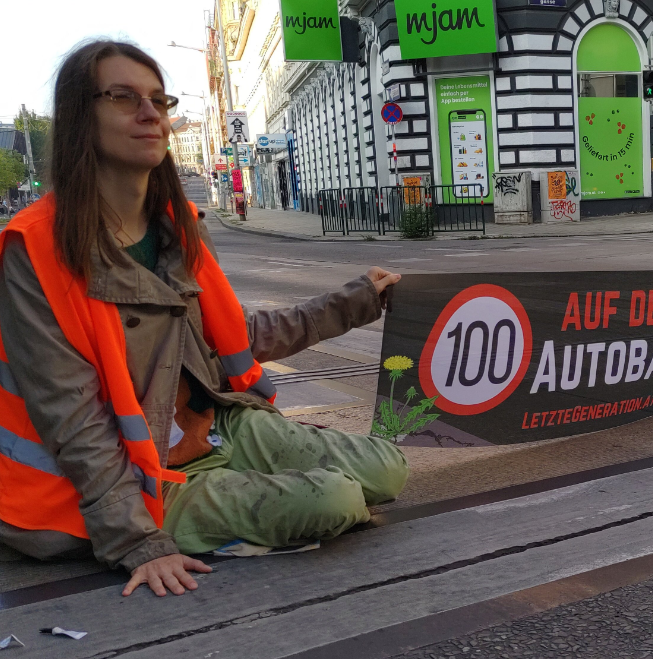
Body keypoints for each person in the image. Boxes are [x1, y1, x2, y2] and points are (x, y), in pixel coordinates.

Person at [0, 41, 409, 598]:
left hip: (213, 428)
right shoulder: (35, 247)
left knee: (388, 470)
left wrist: (357, 300)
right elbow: (70, 418)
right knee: (335, 500)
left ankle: (238, 488)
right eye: (124, 97)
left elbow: (236, 338)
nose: (151, 114)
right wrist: (137, 541)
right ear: (80, 115)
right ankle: (221, 509)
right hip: (129, 479)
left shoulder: (179, 224)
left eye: (158, 100)